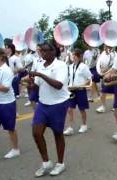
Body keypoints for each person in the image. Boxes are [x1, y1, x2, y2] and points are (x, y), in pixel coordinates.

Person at [28, 42, 69, 177]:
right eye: (41, 51)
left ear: (53, 52)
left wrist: (40, 75)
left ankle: (60, 163)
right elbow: (37, 85)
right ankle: (46, 162)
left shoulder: (61, 65)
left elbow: (58, 85)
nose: (42, 53)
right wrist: (30, 84)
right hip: (43, 104)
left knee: (57, 133)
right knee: (36, 133)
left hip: (58, 104)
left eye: (45, 51)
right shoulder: (41, 65)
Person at [63, 48, 92, 135]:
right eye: (73, 55)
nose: (74, 57)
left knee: (82, 109)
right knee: (69, 109)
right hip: (72, 90)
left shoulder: (83, 66)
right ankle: (70, 127)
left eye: (75, 55)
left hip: (80, 90)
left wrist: (81, 85)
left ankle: (84, 125)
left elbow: (90, 78)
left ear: (79, 57)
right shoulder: (70, 67)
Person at [95, 45, 115, 113]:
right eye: (105, 47)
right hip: (104, 75)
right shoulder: (101, 54)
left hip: (112, 75)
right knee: (103, 91)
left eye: (107, 47)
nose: (106, 48)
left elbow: (114, 65)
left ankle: (115, 106)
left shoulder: (113, 54)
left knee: (115, 91)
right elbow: (98, 63)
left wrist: (107, 71)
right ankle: (103, 106)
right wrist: (100, 72)